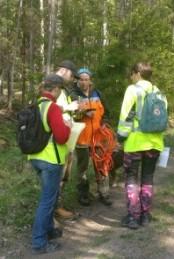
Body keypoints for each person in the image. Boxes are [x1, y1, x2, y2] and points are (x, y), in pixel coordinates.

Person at [117, 62, 167, 229]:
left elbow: (126, 116)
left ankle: (133, 216)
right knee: (148, 177)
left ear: (137, 73)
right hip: (155, 143)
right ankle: (145, 215)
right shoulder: (159, 92)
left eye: (132, 74)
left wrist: (120, 137)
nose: (131, 77)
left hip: (135, 143)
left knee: (132, 178)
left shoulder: (133, 90)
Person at [28, 74, 71, 254]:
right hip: (51, 160)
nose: (60, 91)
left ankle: (49, 231)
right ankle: (39, 242)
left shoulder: (34, 106)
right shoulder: (52, 108)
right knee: (47, 201)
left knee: (49, 198)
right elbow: (61, 137)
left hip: (35, 158)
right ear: (55, 89)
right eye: (59, 89)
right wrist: (67, 125)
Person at [71, 67, 112, 206]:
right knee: (82, 168)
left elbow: (107, 112)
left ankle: (104, 193)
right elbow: (70, 116)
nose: (84, 82)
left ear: (90, 80)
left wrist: (104, 124)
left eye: (86, 79)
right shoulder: (73, 95)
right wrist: (83, 114)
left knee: (101, 165)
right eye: (81, 79)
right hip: (82, 138)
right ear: (77, 80)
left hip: (99, 138)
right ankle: (83, 195)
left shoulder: (98, 94)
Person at [54, 60, 80, 219]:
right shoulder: (51, 84)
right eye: (72, 76)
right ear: (64, 71)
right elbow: (47, 107)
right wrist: (69, 108)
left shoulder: (63, 89)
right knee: (55, 178)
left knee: (64, 176)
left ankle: (58, 207)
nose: (73, 80)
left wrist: (73, 113)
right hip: (55, 142)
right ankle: (52, 213)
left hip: (66, 140)